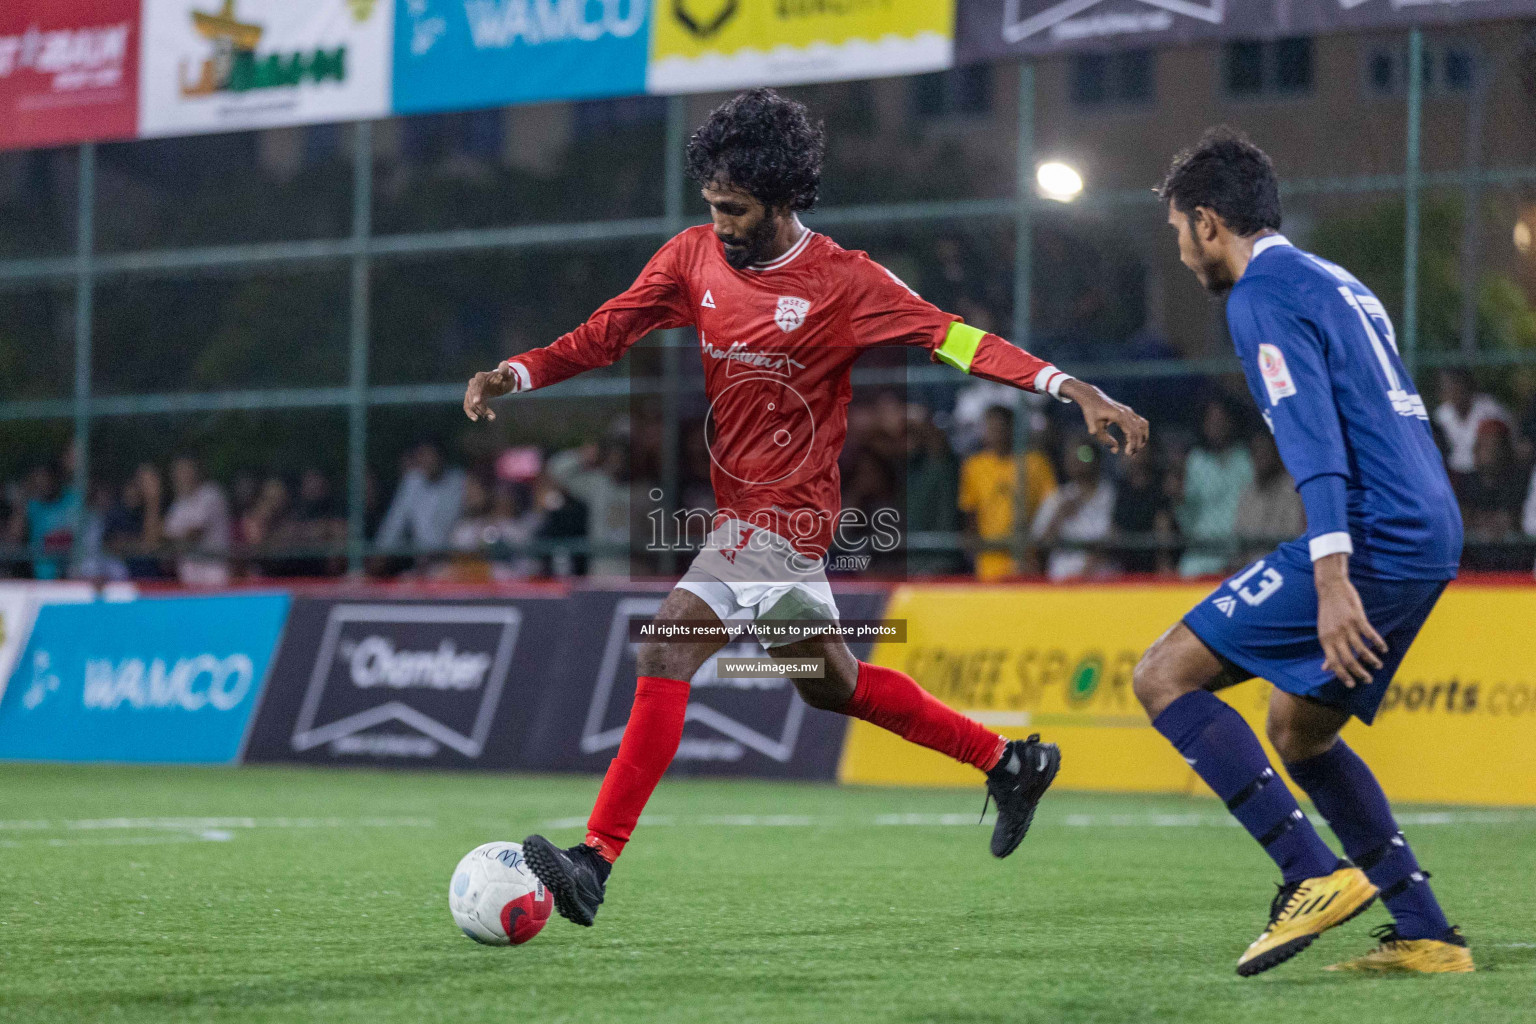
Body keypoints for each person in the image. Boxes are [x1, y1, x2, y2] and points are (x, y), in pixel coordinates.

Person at [462, 89, 1148, 928]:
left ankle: (594, 859)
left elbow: (957, 339)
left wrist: (1070, 387)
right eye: (711, 206)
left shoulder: (843, 281)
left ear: (784, 200)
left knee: (665, 648)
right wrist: (518, 372)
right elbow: (604, 335)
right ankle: (1009, 761)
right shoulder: (691, 259)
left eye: (736, 210)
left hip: (789, 516)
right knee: (830, 683)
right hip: (740, 512)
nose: (719, 223)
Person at [1137, 129, 1470, 977]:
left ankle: (1310, 874)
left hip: (1373, 531)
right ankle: (1426, 932)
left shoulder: (1258, 296)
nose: (1181, 253)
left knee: (1163, 675)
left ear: (1209, 222)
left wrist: (1331, 577)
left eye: (1179, 231)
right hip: (1429, 525)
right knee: (1300, 730)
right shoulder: (1336, 280)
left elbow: (1314, 439)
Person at [958, 404, 1057, 580]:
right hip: (990, 562)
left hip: (1028, 559)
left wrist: (1038, 550)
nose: (996, 433)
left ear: (1013, 429)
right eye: (991, 428)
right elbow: (970, 511)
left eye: (1001, 427)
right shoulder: (974, 465)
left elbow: (1050, 507)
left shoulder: (1036, 462)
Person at [1176, 397, 1253, 577]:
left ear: (1231, 422)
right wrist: (1178, 498)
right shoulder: (1196, 460)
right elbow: (1188, 515)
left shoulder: (1244, 458)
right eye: (1211, 420)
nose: (1216, 425)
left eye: (1220, 420)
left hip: (1240, 547)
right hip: (1202, 550)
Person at [1030, 437, 1117, 581]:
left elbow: (1115, 538)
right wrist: (1059, 516)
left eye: (1083, 454)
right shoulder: (1057, 498)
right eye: (1071, 456)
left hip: (1103, 582)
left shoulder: (1111, 496)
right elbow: (1039, 544)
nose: (1077, 461)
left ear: (1097, 459)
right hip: (1063, 580)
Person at [375, 441, 466, 565]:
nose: (427, 461)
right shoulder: (412, 481)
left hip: (451, 559)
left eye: (431, 456)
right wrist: (379, 552)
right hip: (420, 563)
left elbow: (451, 526)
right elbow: (395, 521)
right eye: (422, 456)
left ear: (441, 457)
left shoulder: (458, 481)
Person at [1234, 431, 1305, 564]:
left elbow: (1292, 535)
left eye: (1265, 452)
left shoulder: (1291, 489)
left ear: (1276, 455)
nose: (1260, 458)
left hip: (1281, 561)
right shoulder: (1248, 492)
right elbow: (1240, 536)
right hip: (1250, 562)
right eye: (1256, 453)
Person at [162, 456, 232, 586]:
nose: (182, 476)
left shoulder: (211, 494)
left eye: (186, 470)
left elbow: (194, 534)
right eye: (178, 472)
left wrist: (172, 540)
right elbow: (164, 536)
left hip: (214, 572)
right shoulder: (179, 503)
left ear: (197, 471)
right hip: (188, 574)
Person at [1109, 440, 1176, 575]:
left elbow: (1163, 524)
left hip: (1153, 555)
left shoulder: (1159, 485)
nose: (1137, 453)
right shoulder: (1121, 487)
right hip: (1126, 555)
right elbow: (1115, 526)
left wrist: (1163, 560)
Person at [1433, 368, 1509, 481]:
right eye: (1448, 387)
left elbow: (1508, 441)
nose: (1453, 390)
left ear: (1467, 385)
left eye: (1456, 384)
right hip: (1452, 474)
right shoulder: (1441, 414)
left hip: (1485, 474)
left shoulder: (1489, 408)